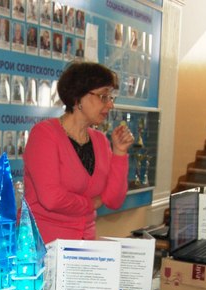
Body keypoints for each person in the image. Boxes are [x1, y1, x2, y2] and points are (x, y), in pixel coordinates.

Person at [23, 62, 134, 243]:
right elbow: (51, 199)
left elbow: (113, 200)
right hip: (45, 245)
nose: (110, 104)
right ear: (77, 97)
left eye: (111, 97)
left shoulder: (100, 140)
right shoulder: (44, 134)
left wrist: (120, 153)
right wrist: (91, 203)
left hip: (85, 245)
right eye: (103, 96)